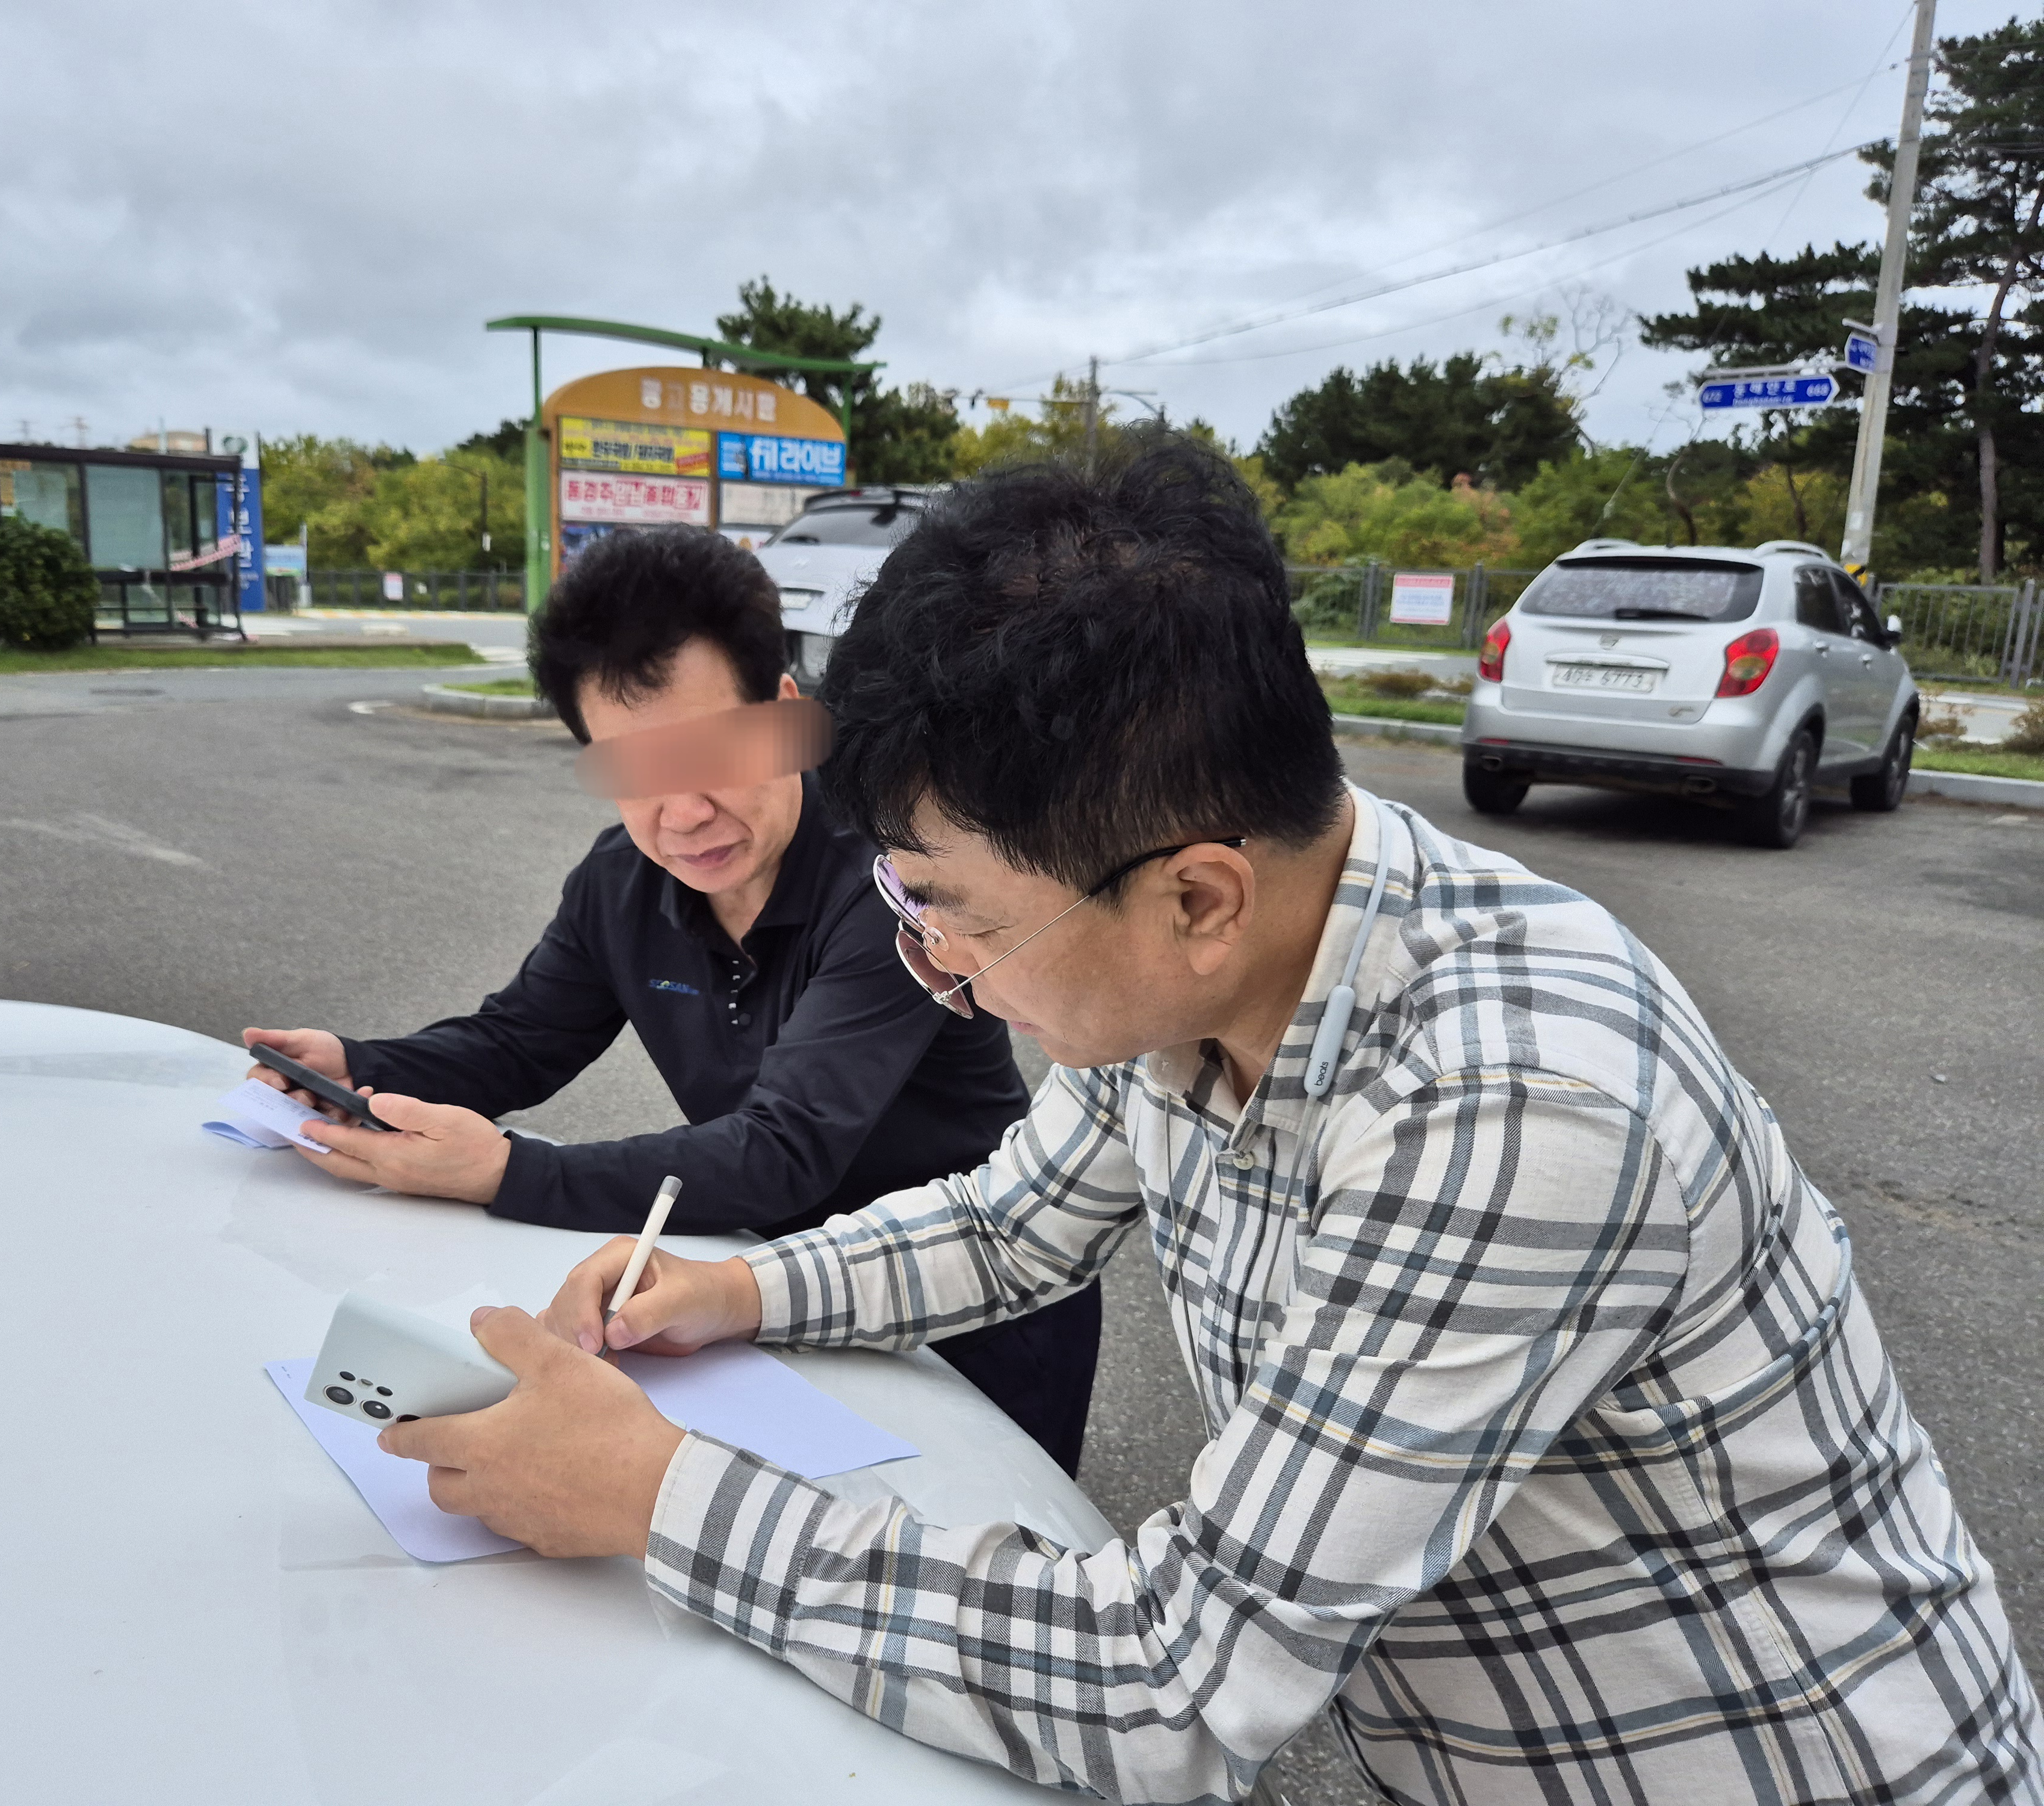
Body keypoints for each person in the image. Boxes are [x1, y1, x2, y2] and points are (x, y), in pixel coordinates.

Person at [370, 432, 2040, 1804]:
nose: (931, 966)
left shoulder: (1515, 1105)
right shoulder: (1196, 946)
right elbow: (1010, 1219)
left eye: (954, 911)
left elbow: (1178, 1684)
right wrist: (726, 1291)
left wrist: (658, 1494)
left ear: (1197, 898)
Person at [244, 525, 1101, 1473]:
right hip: (743, 1289)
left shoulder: (890, 878)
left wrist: (503, 1171)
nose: (683, 814)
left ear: (783, 710)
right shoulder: (623, 881)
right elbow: (521, 1039)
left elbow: (787, 1150)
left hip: (970, 1300)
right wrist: (359, 1067)